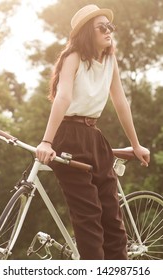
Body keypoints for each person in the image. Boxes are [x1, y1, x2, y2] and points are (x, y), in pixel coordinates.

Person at [36, 4, 150, 260]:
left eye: (111, 27)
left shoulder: (110, 60)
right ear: (88, 32)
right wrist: (46, 141)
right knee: (90, 221)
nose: (109, 31)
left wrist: (136, 144)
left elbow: (120, 102)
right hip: (68, 136)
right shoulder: (73, 56)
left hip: (94, 137)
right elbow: (63, 97)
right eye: (102, 27)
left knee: (113, 220)